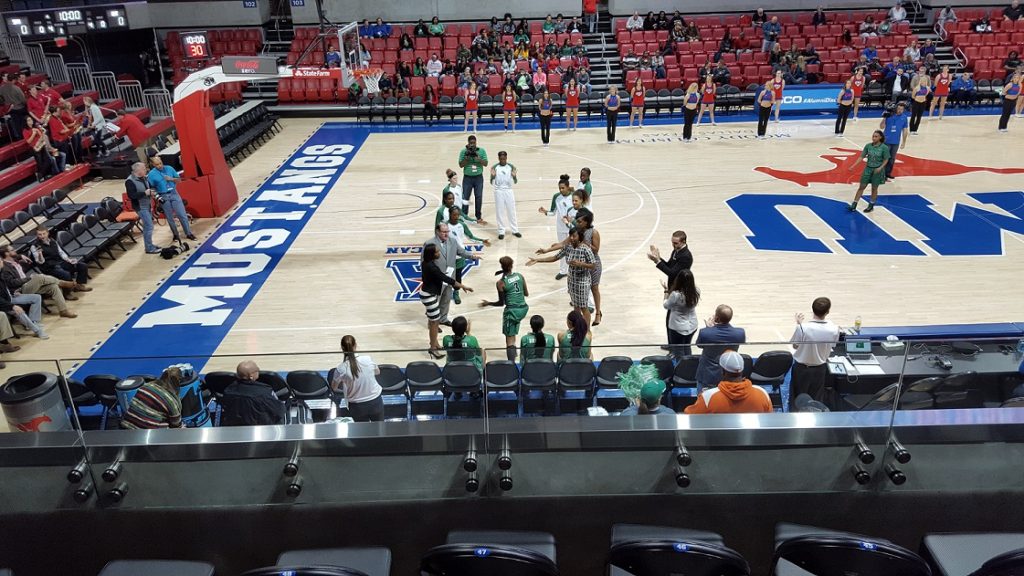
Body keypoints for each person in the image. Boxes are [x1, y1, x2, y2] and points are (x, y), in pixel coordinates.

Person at [528, 227, 596, 326]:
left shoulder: (586, 249)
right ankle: (576, 328)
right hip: (572, 281)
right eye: (570, 236)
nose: (571, 238)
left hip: (583, 281)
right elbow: (555, 257)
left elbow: (593, 265)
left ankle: (587, 330)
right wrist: (538, 260)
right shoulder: (568, 247)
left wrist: (581, 264)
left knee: (583, 307)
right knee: (576, 306)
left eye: (574, 236)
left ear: (580, 237)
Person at [420, 242, 472, 359]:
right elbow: (446, 278)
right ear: (432, 254)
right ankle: (433, 348)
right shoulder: (432, 267)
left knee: (434, 321)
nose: (439, 253)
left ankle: (435, 344)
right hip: (429, 296)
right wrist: (463, 286)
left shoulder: (426, 263)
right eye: (437, 252)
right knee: (434, 323)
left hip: (427, 294)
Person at [1, 245, 76, 319]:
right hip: (20, 290)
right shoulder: (4, 267)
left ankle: (63, 311)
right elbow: (11, 283)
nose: (15, 250)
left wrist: (21, 256)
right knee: (38, 277)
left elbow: (17, 256)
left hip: (28, 285)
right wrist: (29, 278)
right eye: (12, 250)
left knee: (53, 287)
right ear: (6, 253)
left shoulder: (14, 260)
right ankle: (61, 283)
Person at [789, 297, 840, 408]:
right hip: (820, 369)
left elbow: (795, 345)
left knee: (798, 399)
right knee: (816, 400)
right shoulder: (834, 329)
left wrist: (799, 324)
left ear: (812, 310)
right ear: (827, 311)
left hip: (801, 369)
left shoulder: (802, 328)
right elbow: (832, 346)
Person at [685, 351, 772, 414]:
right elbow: (770, 420)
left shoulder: (708, 398)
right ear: (742, 370)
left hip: (718, 439)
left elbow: (689, 417)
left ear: (722, 371)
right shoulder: (762, 394)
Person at [479, 256, 530, 361]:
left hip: (512, 311)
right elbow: (526, 293)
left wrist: (488, 303)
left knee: (509, 340)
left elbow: (501, 303)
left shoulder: (500, 283)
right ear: (512, 265)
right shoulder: (520, 276)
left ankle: (511, 363)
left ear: (501, 266)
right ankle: (514, 352)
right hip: (523, 308)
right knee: (513, 330)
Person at [648, 231, 693, 346]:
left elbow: (672, 273)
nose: (673, 245)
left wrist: (657, 261)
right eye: (672, 242)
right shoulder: (676, 251)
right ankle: (672, 345)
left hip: (680, 290)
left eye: (676, 243)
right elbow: (669, 266)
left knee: (673, 318)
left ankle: (675, 346)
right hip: (674, 286)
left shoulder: (685, 256)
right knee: (669, 319)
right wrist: (658, 259)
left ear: (683, 242)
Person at [330, 335, 385, 422]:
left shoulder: (341, 368)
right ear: (355, 345)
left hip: (357, 406)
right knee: (380, 430)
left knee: (362, 433)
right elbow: (377, 372)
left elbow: (334, 387)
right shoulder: (367, 359)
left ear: (342, 348)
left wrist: (346, 381)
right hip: (375, 401)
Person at [694, 305, 746, 391]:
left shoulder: (705, 332)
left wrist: (709, 329)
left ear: (716, 318)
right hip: (729, 374)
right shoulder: (740, 333)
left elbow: (699, 345)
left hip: (708, 374)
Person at [447, 206, 490, 305]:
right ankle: (444, 293)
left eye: (458, 215)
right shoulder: (444, 225)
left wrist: (482, 241)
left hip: (460, 255)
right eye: (454, 215)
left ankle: (456, 292)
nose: (456, 217)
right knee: (447, 275)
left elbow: (470, 237)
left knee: (458, 276)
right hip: (447, 256)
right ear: (450, 214)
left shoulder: (462, 225)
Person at [221, 360, 286, 426]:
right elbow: (279, 410)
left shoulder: (228, 390)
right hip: (260, 428)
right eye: (257, 370)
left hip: (233, 427)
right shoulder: (264, 391)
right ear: (251, 376)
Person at [148, 155, 195, 242]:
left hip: (174, 193)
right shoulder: (151, 175)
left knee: (182, 214)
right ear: (153, 165)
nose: (160, 166)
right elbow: (152, 188)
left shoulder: (169, 168)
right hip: (163, 195)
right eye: (157, 164)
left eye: (160, 163)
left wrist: (171, 179)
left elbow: (179, 180)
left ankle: (188, 233)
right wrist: (157, 197)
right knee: (170, 218)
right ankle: (176, 235)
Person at [537, 175, 575, 280]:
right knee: (563, 248)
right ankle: (563, 271)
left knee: (574, 249)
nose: (561, 190)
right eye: (560, 188)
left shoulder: (574, 196)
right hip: (561, 227)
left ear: (568, 187)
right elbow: (552, 212)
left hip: (573, 227)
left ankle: (573, 270)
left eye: (563, 188)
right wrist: (545, 212)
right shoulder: (556, 197)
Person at [848, 130, 891, 213]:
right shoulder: (868, 146)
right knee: (861, 187)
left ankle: (871, 205)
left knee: (874, 188)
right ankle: (854, 204)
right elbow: (861, 157)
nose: (874, 138)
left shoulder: (884, 147)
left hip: (877, 170)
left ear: (880, 137)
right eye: (873, 136)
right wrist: (853, 166)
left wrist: (880, 167)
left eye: (876, 136)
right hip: (868, 169)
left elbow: (886, 159)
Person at [573, 209, 602, 326]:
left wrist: (585, 242)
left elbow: (596, 249)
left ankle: (598, 313)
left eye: (580, 221)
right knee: (581, 291)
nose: (577, 223)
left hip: (593, 264)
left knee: (594, 289)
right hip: (580, 265)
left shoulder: (593, 232)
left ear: (586, 222)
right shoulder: (577, 231)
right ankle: (580, 317)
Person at [124, 161, 161, 254]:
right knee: (149, 226)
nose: (146, 170)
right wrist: (145, 193)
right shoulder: (130, 181)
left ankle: (150, 245)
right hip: (140, 207)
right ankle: (149, 248)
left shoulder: (143, 177)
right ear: (138, 170)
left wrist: (151, 193)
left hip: (147, 204)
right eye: (144, 168)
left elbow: (148, 188)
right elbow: (131, 195)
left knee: (147, 227)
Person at [662, 269, 699, 357]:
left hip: (677, 327)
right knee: (687, 347)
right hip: (692, 325)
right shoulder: (696, 291)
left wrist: (666, 292)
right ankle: (688, 366)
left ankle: (682, 369)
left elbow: (666, 305)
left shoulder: (676, 295)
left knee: (678, 352)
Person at [490, 151, 520, 240]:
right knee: (500, 211)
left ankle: (515, 230)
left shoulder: (511, 167)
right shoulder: (494, 167)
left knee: (512, 210)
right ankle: (501, 231)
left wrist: (514, 176)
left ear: (506, 158)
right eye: (501, 159)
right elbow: (491, 182)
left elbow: (515, 181)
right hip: (498, 191)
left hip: (509, 190)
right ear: (498, 158)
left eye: (504, 158)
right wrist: (493, 176)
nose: (503, 160)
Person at [23, 116, 62, 180]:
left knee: (48, 160)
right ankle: (43, 176)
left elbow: (41, 135)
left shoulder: (36, 127)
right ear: (26, 122)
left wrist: (39, 132)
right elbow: (28, 141)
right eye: (28, 120)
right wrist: (33, 133)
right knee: (40, 162)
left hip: (41, 145)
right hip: (35, 148)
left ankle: (40, 174)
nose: (31, 121)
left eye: (31, 120)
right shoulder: (25, 131)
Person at [880, 101, 908, 180]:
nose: (900, 110)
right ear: (895, 108)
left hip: (896, 142)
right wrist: (884, 118)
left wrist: (904, 142)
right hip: (886, 140)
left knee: (892, 159)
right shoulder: (889, 115)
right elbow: (881, 127)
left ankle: (888, 173)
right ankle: (881, 174)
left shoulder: (904, 117)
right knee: (885, 158)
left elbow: (905, 130)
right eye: (898, 109)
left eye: (901, 109)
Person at [0, 74, 28, 140]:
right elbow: (23, 100)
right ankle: (25, 135)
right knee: (22, 123)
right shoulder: (16, 88)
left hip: (9, 110)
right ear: (14, 80)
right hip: (19, 109)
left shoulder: (1, 88)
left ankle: (18, 137)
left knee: (15, 124)